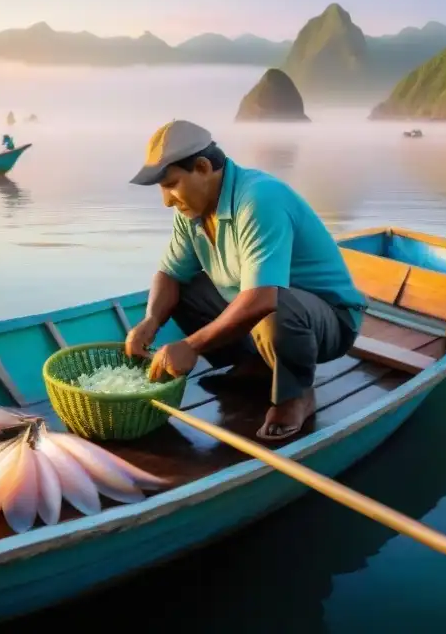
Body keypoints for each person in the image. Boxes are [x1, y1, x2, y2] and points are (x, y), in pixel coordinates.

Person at [124, 119, 367, 441]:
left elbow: (263, 298)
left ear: (202, 167)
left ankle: (296, 394)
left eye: (171, 185)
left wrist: (191, 346)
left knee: (273, 307)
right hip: (264, 309)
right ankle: (256, 363)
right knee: (183, 289)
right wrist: (150, 321)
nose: (166, 200)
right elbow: (170, 273)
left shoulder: (259, 199)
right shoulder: (191, 211)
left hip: (328, 322)